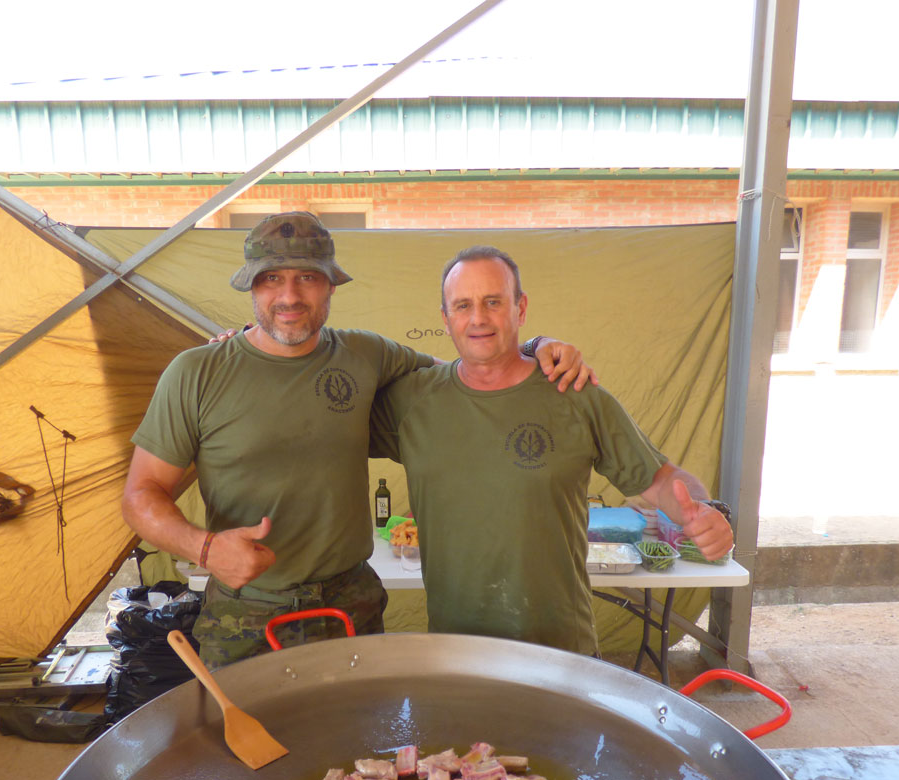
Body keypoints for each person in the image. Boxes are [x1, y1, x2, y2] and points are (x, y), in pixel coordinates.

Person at [121, 213, 592, 668]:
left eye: (308, 277)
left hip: (351, 609)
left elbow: (470, 375)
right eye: (271, 279)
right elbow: (141, 495)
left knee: (360, 728)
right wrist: (205, 549)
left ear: (331, 285)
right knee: (245, 728)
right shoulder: (197, 372)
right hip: (245, 615)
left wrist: (533, 347)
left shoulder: (366, 354)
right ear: (252, 286)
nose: (289, 296)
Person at [368, 245, 734, 656]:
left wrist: (702, 511)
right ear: (445, 318)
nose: (478, 318)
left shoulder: (574, 394)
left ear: (520, 308)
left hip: (561, 651)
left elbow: (664, 480)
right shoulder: (412, 402)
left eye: (493, 302)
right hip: (458, 652)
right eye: (463, 305)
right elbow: (328, 429)